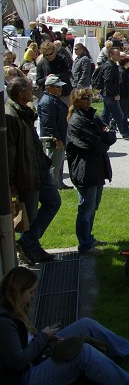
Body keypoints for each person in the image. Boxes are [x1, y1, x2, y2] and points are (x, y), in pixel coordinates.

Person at [0, 267, 129, 385]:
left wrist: (46, 339)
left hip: (36, 360)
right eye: (30, 292)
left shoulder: (13, 310)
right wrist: (43, 337)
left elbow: (25, 342)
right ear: (17, 291)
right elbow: (18, 361)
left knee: (85, 324)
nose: (33, 296)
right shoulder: (4, 323)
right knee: (83, 353)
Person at [7, 76, 58, 264]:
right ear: (21, 93)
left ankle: (28, 243)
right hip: (26, 175)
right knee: (31, 214)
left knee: (53, 202)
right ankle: (30, 247)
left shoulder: (23, 111)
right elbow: (10, 154)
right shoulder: (11, 116)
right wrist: (12, 183)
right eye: (30, 88)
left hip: (38, 169)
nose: (34, 90)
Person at [64, 87, 115, 256]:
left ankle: (88, 238)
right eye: (84, 98)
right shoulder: (77, 120)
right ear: (76, 101)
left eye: (89, 97)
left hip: (97, 168)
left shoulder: (92, 115)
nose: (88, 100)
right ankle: (84, 245)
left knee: (93, 207)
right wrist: (103, 137)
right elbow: (92, 144)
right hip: (85, 170)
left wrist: (104, 137)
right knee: (85, 208)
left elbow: (109, 135)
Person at [37, 74, 70, 191]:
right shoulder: (47, 102)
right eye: (57, 87)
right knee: (53, 165)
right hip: (53, 139)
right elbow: (49, 124)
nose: (60, 89)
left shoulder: (53, 99)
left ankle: (58, 184)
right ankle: (52, 188)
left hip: (59, 137)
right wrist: (57, 139)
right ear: (49, 87)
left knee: (59, 163)